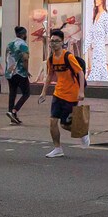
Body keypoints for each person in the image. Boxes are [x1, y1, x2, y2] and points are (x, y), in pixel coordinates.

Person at [40, 30, 89, 158]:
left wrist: (81, 91)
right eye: (52, 41)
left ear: (62, 42)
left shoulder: (68, 57)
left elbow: (80, 73)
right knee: (52, 121)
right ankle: (57, 148)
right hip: (58, 93)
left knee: (65, 124)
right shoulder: (51, 59)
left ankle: (83, 132)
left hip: (71, 95)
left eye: (56, 41)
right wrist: (44, 92)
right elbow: (50, 75)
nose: (54, 44)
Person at [4, 26, 32, 126]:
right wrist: (26, 70)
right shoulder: (23, 45)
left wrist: (8, 70)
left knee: (12, 93)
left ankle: (11, 115)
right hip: (20, 72)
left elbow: (6, 58)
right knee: (26, 93)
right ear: (24, 34)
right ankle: (14, 110)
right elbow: (25, 59)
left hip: (10, 72)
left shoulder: (10, 44)